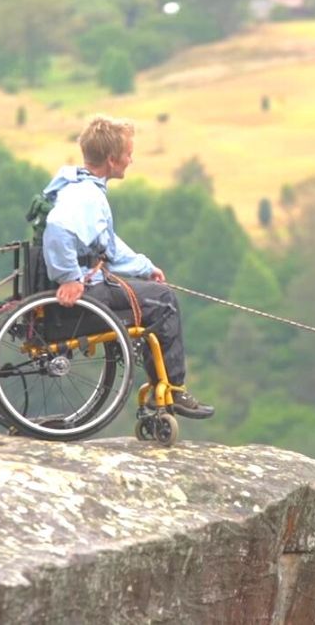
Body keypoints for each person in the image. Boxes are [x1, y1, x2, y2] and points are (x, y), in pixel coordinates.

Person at [41, 114, 214, 419]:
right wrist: (69, 277)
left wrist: (143, 267)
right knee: (164, 301)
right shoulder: (86, 196)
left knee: (156, 292)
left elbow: (106, 244)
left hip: (92, 282)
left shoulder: (79, 185)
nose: (131, 161)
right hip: (88, 292)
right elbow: (57, 228)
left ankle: (162, 388)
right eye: (128, 155)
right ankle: (172, 390)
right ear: (111, 159)